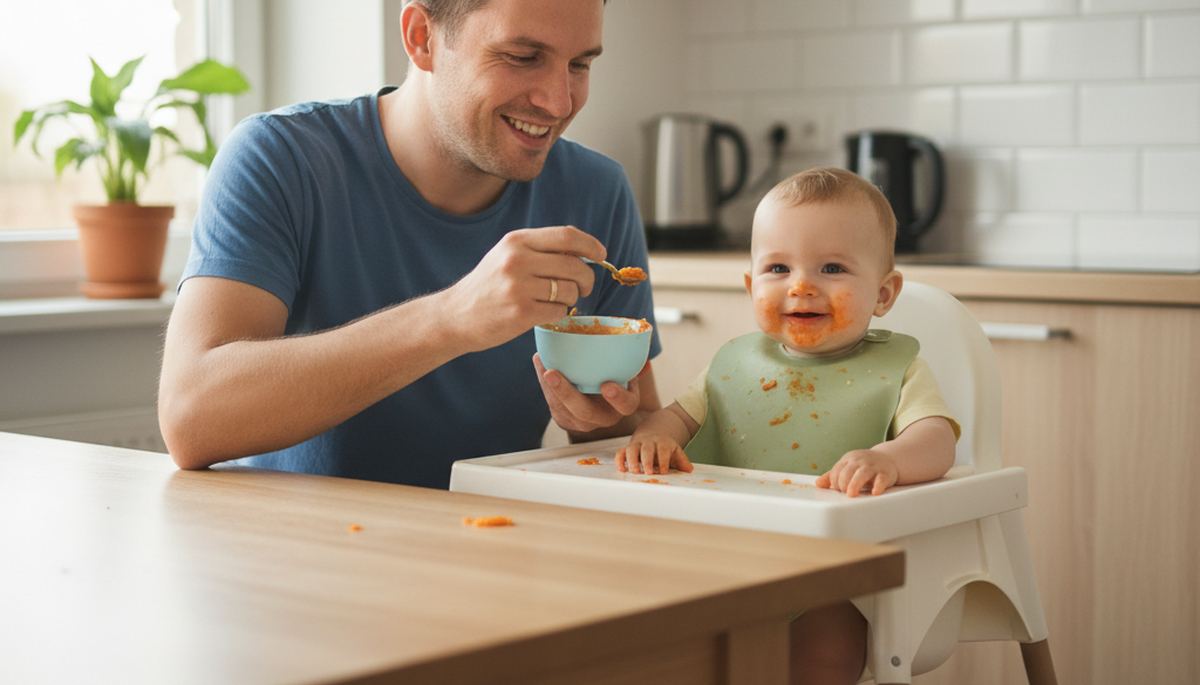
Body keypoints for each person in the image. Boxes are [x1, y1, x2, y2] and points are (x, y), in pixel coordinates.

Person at [158, 0, 663, 490]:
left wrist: (599, 418)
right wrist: (450, 319)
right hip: (297, 556)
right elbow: (191, 417)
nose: (559, 101)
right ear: (422, 37)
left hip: (495, 549)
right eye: (522, 57)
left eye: (579, 64)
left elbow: (628, 431)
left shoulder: (596, 192)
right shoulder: (281, 159)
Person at [615, 166, 960, 685]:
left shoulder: (897, 368)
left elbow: (936, 441)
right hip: (725, 558)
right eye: (778, 268)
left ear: (884, 294)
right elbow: (677, 417)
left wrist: (888, 458)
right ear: (751, 285)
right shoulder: (734, 364)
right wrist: (654, 437)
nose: (801, 285)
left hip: (835, 570)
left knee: (825, 654)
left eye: (831, 268)